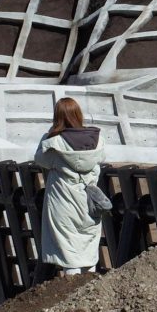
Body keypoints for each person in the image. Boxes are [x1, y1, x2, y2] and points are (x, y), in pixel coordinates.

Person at [35, 97, 105, 276]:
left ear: (57, 116)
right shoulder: (96, 140)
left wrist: (49, 134)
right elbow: (102, 159)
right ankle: (90, 291)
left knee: (68, 250)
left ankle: (71, 294)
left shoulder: (53, 142)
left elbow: (41, 160)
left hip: (63, 203)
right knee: (88, 247)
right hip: (89, 203)